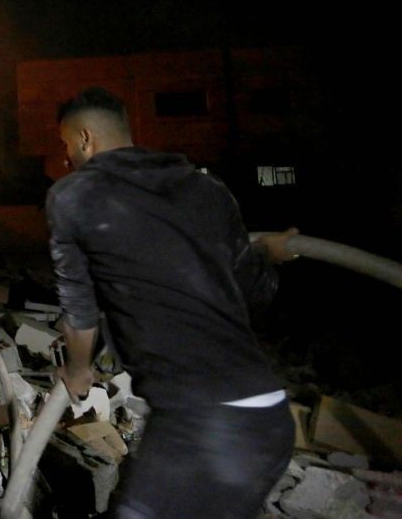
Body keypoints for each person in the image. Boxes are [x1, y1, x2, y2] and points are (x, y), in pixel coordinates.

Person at [47, 87, 299, 518]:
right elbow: (251, 297)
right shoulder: (206, 188)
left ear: (85, 138)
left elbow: (79, 314)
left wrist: (77, 371)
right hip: (268, 421)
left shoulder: (74, 196)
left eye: (67, 144)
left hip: (200, 424)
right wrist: (264, 254)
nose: (66, 157)